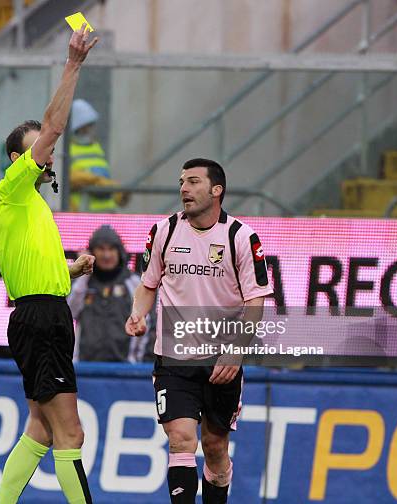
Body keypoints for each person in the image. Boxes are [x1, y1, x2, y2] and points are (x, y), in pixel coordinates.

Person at [0, 25, 98, 504]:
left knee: (40, 427)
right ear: (18, 158)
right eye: (38, 148)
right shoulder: (13, 188)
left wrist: (71, 270)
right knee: (70, 434)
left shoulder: (29, 208)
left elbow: (17, 282)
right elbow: (54, 125)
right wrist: (73, 64)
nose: (49, 152)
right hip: (43, 318)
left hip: (41, 313)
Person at [125, 159, 274, 504]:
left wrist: (236, 349)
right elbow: (148, 285)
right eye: (181, 182)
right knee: (180, 440)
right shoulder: (163, 231)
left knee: (215, 447)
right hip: (173, 358)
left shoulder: (240, 237)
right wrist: (138, 313)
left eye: (193, 182)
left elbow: (256, 301)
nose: (184, 189)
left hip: (221, 362)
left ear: (216, 190)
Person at [68, 225, 150, 362]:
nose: (106, 255)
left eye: (111, 249)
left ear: (119, 252)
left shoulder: (134, 283)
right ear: (92, 252)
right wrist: (85, 272)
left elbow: (149, 324)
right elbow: (70, 311)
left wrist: (141, 364)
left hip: (126, 369)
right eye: (101, 249)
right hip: (85, 368)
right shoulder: (82, 284)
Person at [68, 99, 129, 212]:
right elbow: (70, 178)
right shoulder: (67, 150)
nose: (89, 130)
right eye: (85, 126)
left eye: (91, 125)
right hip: (83, 217)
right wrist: (103, 183)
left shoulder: (96, 148)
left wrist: (118, 193)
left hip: (107, 214)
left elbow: (104, 177)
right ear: (76, 128)